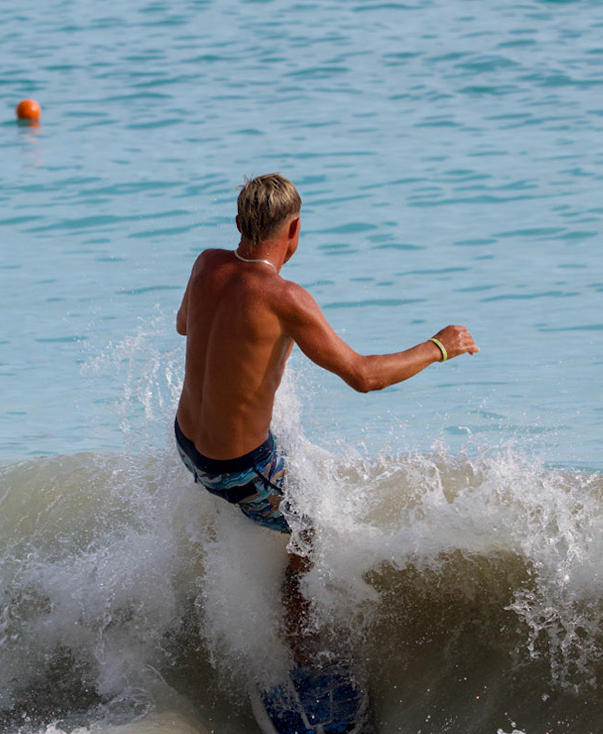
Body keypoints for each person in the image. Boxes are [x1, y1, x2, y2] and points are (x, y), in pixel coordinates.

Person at [173, 174, 477, 661]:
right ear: (294, 229)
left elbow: (186, 324)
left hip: (187, 444)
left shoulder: (206, 264)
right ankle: (301, 650)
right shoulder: (286, 298)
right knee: (314, 528)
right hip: (235, 469)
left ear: (237, 224)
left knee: (287, 455)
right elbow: (363, 376)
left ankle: (237, 516)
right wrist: (439, 347)